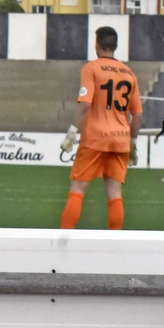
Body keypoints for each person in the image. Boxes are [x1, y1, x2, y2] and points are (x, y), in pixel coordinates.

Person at [60, 26, 143, 230]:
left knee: (78, 190)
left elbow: (85, 104)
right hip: (121, 139)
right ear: (115, 46)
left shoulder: (91, 68)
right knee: (115, 194)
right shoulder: (129, 73)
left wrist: (71, 133)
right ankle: (114, 241)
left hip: (95, 137)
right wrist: (132, 143)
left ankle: (63, 238)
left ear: (97, 44)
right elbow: (137, 114)